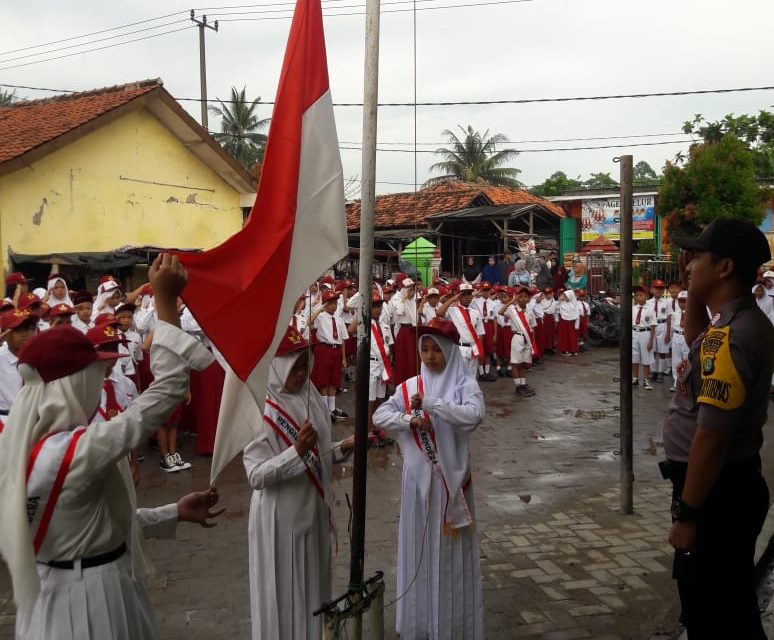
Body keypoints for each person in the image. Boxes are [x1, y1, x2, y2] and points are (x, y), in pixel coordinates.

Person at [0, 254, 219, 640]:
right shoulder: (77, 451)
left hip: (46, 600)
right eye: (94, 374)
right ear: (72, 385)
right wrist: (166, 302)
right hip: (95, 601)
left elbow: (93, 526)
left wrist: (172, 513)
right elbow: (168, 390)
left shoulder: (19, 446)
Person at [662, 219, 774, 639]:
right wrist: (694, 288)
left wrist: (687, 513)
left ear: (725, 266)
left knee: (718, 617)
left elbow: (712, 435)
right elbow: (696, 338)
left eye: (698, 257)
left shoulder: (733, 335)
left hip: (716, 497)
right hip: (724, 489)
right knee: (722, 608)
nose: (689, 264)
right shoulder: (730, 325)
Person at [373, 318, 484, 640]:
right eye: (425, 349)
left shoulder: (465, 385)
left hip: (451, 483)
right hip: (419, 482)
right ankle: (419, 623)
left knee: (450, 555)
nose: (431, 356)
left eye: (437, 350)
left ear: (450, 351)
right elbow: (381, 415)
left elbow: (474, 416)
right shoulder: (409, 387)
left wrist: (434, 405)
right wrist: (409, 420)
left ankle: (452, 625)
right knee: (418, 545)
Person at [243, 325, 354, 640]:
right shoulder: (259, 407)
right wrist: (296, 452)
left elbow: (318, 455)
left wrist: (342, 448)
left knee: (314, 588)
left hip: (313, 511)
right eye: (295, 365)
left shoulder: (312, 395)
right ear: (276, 366)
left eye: (306, 363)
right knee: (284, 592)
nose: (303, 372)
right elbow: (256, 475)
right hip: (280, 520)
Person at [310, 289, 350, 421]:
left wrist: (343, 358)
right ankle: (324, 410)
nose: (333, 306)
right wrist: (320, 308)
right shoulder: (320, 318)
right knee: (323, 380)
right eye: (330, 303)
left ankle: (332, 410)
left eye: (335, 303)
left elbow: (342, 340)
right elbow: (309, 322)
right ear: (325, 304)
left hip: (336, 350)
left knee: (334, 381)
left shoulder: (339, 320)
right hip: (323, 349)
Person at [437, 283, 485, 380]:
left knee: (471, 377)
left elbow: (480, 333)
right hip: (459, 347)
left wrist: (480, 350)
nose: (467, 297)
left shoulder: (475, 312)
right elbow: (439, 313)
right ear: (459, 296)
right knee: (458, 377)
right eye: (464, 295)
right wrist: (453, 299)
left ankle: (470, 395)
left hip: (473, 348)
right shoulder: (452, 310)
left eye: (469, 294)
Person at [499, 287, 538, 397]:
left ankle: (523, 384)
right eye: (520, 297)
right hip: (518, 338)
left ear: (528, 299)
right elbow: (500, 312)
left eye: (525, 297)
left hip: (528, 339)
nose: (522, 299)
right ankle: (518, 387)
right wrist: (511, 301)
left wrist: (533, 343)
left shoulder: (529, 311)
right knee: (516, 363)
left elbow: (533, 327)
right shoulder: (513, 310)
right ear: (517, 298)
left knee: (523, 363)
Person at [0, 309, 38, 416]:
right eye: (18, 329)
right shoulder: (1, 356)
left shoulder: (40, 356)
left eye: (31, 328)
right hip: (4, 417)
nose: (26, 334)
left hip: (33, 417)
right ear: (5, 334)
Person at [392, 278, 420, 384]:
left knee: (413, 359)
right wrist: (404, 298)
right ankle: (401, 382)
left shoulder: (413, 301)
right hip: (404, 332)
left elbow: (416, 318)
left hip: (413, 331)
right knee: (403, 359)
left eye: (413, 289)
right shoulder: (398, 300)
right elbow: (399, 312)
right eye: (409, 289)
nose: (412, 292)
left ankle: (413, 381)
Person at [647, 279, 673, 382]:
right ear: (651, 290)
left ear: (663, 291)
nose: (658, 291)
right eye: (656, 289)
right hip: (652, 327)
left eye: (661, 289)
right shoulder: (648, 303)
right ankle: (653, 371)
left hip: (662, 326)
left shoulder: (666, 303)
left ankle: (660, 372)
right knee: (652, 351)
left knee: (662, 351)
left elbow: (669, 318)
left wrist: (668, 333)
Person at [632, 285, 656, 390]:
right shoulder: (633, 308)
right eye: (636, 295)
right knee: (634, 357)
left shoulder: (650, 310)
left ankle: (646, 380)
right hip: (634, 333)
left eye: (641, 295)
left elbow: (653, 325)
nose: (638, 297)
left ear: (646, 296)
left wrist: (651, 340)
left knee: (646, 357)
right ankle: (635, 378)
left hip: (645, 333)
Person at [668, 290, 690, 393]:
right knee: (676, 360)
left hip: (686, 337)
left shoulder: (692, 314)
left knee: (686, 360)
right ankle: (676, 382)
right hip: (677, 336)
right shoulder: (675, 313)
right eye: (680, 301)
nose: (682, 303)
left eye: (684, 301)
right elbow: (672, 327)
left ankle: (685, 382)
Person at [556, 289, 580, 356]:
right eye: (564, 295)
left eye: (566, 296)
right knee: (564, 337)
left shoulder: (574, 303)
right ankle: (564, 350)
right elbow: (556, 307)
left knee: (572, 337)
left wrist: (577, 325)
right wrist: (560, 300)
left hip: (571, 323)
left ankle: (573, 349)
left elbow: (577, 314)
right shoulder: (562, 303)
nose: (564, 297)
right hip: (563, 322)